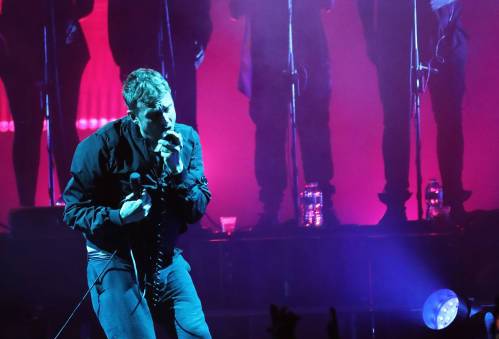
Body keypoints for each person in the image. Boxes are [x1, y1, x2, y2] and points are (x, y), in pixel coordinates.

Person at [63, 68, 217, 339]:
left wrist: (177, 173)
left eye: (169, 107)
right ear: (133, 115)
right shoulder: (99, 147)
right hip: (114, 263)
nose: (166, 120)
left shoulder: (187, 140)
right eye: (154, 114)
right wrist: (119, 216)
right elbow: (74, 211)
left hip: (165, 263)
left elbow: (196, 209)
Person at [357, 0, 471, 226]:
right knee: (396, 121)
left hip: (444, 24)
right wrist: (370, 34)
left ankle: (454, 201)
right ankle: (395, 204)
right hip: (397, 27)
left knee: (449, 119)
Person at [230, 0, 337, 228]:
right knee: (269, 128)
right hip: (266, 42)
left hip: (308, 41)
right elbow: (237, 8)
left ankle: (321, 203)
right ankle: (271, 206)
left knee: (314, 125)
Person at [0, 0, 92, 207]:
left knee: (63, 129)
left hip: (61, 43)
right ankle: (27, 207)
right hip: (17, 44)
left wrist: (67, 16)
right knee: (27, 130)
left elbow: (86, 5)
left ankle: (73, 205)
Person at [108, 0, 212, 130]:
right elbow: (117, 12)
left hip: (180, 48)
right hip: (140, 51)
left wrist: (201, 38)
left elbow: (201, 7)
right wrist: (122, 56)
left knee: (183, 119)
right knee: (146, 120)